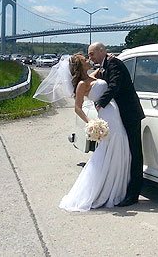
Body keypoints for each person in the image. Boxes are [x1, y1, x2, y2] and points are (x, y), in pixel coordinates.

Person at [33, 53, 132, 211]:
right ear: (80, 66)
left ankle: (117, 187)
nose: (88, 60)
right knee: (109, 147)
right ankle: (104, 190)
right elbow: (77, 108)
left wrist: (111, 57)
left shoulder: (93, 76)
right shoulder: (81, 85)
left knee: (121, 144)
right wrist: (91, 122)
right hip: (105, 115)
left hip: (115, 112)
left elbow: (107, 69)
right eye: (85, 60)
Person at [88, 42, 145, 206]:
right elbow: (91, 79)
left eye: (92, 54)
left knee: (135, 153)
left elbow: (115, 85)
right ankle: (120, 187)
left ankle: (133, 194)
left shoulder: (114, 63)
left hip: (130, 114)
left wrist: (101, 103)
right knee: (124, 151)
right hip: (119, 116)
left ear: (101, 51)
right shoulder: (105, 64)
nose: (90, 58)